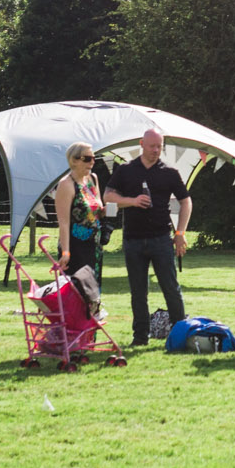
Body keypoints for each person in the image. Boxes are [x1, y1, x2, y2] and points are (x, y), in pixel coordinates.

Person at [104, 129, 189, 344]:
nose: (155, 150)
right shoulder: (126, 170)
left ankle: (179, 336)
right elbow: (107, 197)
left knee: (171, 288)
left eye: (159, 146)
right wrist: (132, 201)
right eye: (152, 146)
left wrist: (180, 233)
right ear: (142, 144)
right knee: (138, 292)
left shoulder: (169, 172)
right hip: (133, 240)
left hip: (161, 239)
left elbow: (186, 201)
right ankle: (140, 337)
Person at [58, 144, 105, 280]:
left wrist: (106, 210)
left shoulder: (93, 179)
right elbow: (64, 223)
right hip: (76, 247)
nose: (92, 162)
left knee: (93, 291)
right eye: (87, 158)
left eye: (93, 158)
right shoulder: (66, 185)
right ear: (74, 160)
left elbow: (97, 209)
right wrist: (66, 252)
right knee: (78, 291)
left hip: (94, 245)